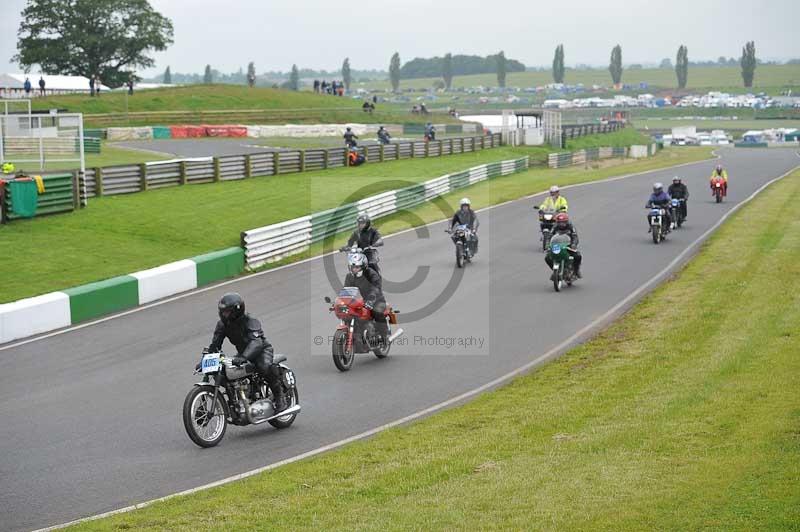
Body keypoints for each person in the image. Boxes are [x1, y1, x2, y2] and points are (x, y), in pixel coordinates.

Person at [201, 293, 288, 412]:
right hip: (243, 353)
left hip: (261, 351)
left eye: (226, 312)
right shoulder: (222, 324)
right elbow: (216, 344)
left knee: (264, 367)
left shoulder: (251, 321)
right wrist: (205, 360)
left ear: (236, 311)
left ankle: (279, 397)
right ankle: (236, 400)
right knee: (222, 372)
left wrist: (243, 357)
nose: (223, 314)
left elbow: (256, 343)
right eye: (222, 311)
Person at [343, 250, 388, 343]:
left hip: (376, 300)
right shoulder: (349, 276)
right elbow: (346, 290)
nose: (354, 269)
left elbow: (376, 287)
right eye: (352, 267)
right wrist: (341, 301)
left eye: (357, 267)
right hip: (359, 302)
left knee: (377, 312)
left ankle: (384, 337)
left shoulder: (371, 274)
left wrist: (371, 299)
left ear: (363, 266)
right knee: (347, 315)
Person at [544, 212, 582, 278]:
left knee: (578, 256)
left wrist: (574, 244)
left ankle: (576, 270)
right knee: (547, 258)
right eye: (559, 222)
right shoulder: (555, 227)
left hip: (568, 245)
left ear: (566, 221)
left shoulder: (571, 226)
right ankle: (555, 270)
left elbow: (575, 236)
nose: (561, 224)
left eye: (563, 222)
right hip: (557, 245)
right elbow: (549, 236)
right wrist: (547, 245)